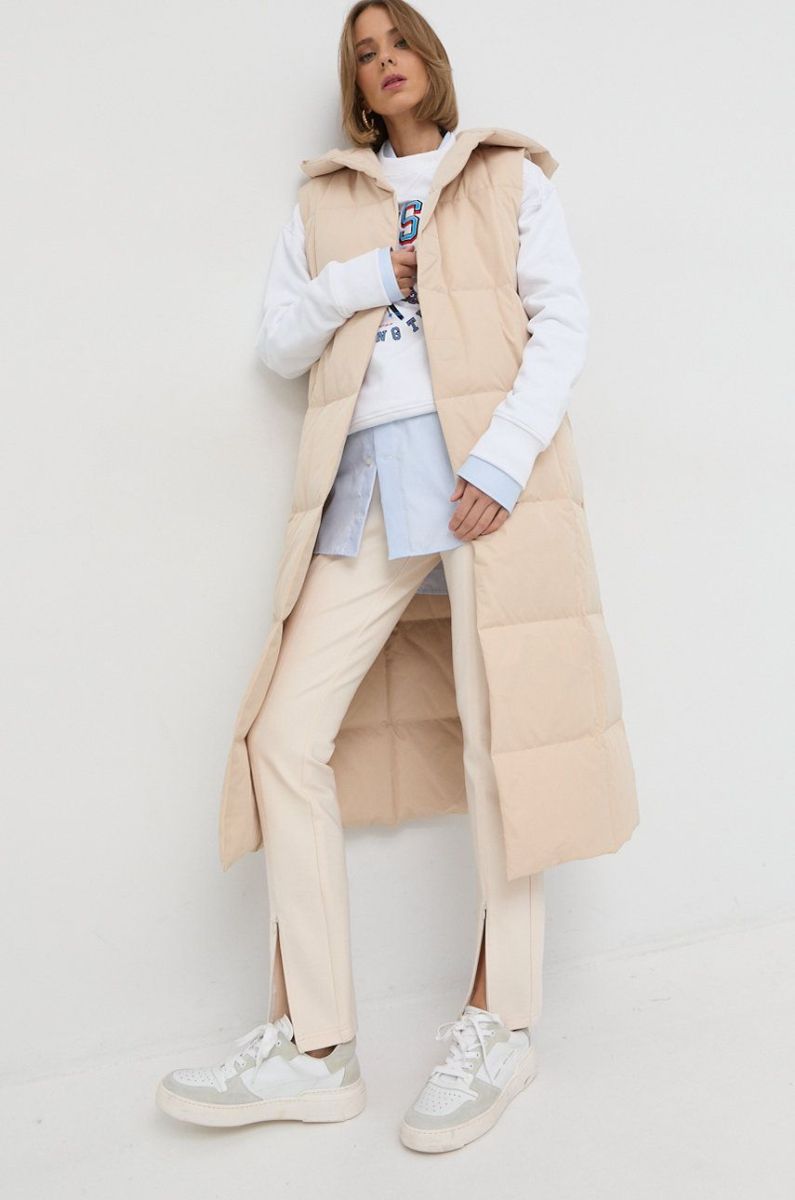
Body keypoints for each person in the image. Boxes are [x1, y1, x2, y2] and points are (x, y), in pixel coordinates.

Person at [156, 0, 599, 1153]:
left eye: (398, 40)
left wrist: (502, 458)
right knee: (282, 738)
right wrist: (367, 276)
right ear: (354, 84)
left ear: (428, 60)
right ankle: (318, 1047)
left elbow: (564, 322)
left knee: (503, 746)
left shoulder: (503, 176)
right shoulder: (327, 201)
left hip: (485, 482)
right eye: (363, 52)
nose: (384, 59)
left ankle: (501, 1026)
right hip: (370, 484)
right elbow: (279, 339)